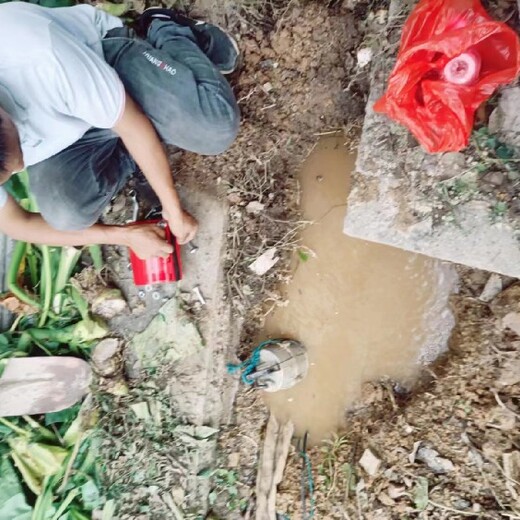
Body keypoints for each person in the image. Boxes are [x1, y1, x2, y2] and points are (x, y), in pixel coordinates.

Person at [0, 2, 240, 259]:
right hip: (68, 132)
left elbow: (132, 124)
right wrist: (125, 236)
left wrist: (172, 206)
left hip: (103, 60)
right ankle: (149, 139)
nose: (19, 168)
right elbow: (17, 224)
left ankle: (168, 29)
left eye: (18, 153)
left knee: (214, 127)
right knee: (65, 212)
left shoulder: (36, 57)